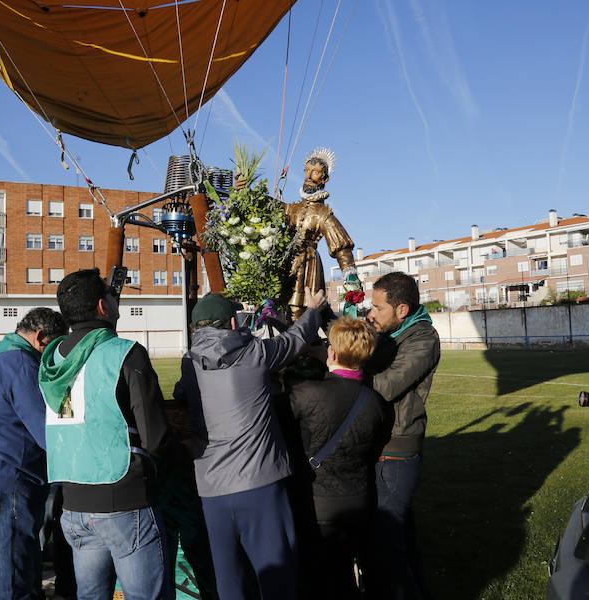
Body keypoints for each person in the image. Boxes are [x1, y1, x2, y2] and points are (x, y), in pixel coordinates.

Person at [175, 286, 327, 600]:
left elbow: (181, 395)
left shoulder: (189, 363)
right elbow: (295, 340)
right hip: (261, 484)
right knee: (277, 576)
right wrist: (313, 309)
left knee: (229, 581)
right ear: (233, 323)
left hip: (212, 489)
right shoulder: (254, 352)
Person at [39, 269, 175, 600]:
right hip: (124, 498)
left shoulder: (52, 359)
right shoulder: (124, 352)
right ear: (103, 306)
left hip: (72, 503)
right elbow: (155, 437)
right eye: (112, 296)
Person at [0, 307, 68, 600]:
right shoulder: (20, 363)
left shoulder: (2, 358)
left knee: (20, 557)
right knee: (13, 569)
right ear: (40, 337)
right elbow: (46, 431)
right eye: (56, 347)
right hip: (6, 479)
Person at [286, 317, 391, 600]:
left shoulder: (304, 394)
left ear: (331, 353)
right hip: (359, 500)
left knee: (315, 580)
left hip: (317, 504)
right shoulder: (377, 403)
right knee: (343, 577)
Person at [365, 272, 440, 600]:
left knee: (386, 547)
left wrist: (341, 376)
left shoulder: (422, 339)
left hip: (397, 450)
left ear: (402, 309)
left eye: (378, 308)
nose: (372, 313)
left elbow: (386, 385)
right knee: (402, 540)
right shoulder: (393, 332)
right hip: (382, 444)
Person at [283, 147, 357, 319]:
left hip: (308, 266)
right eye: (307, 171)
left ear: (324, 178)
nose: (308, 176)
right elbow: (264, 208)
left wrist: (350, 275)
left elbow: (341, 249)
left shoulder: (323, 214)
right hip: (287, 262)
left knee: (301, 311)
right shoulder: (292, 208)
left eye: (315, 172)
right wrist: (243, 190)